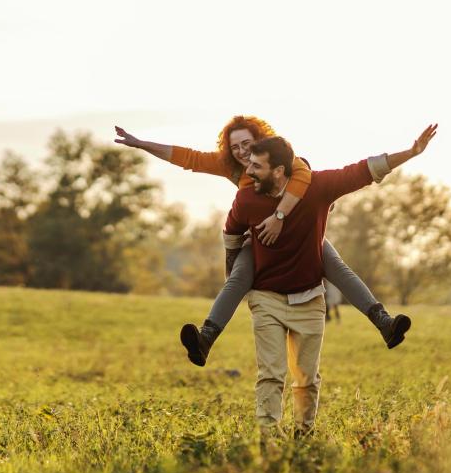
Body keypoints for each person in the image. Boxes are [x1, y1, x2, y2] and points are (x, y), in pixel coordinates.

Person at [114, 117, 414, 365]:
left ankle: (384, 322)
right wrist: (141, 144)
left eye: (247, 144)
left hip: (300, 233)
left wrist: (280, 216)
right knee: (237, 279)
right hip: (257, 238)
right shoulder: (233, 167)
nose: (242, 152)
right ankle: (205, 338)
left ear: (260, 141)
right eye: (235, 147)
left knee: (337, 267)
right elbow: (187, 158)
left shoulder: (286, 161)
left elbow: (309, 178)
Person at [222, 127, 435, 437]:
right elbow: (230, 234)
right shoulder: (246, 198)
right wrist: (235, 276)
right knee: (271, 374)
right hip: (265, 297)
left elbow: (365, 170)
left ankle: (304, 435)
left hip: (308, 298)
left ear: (279, 171)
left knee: (306, 378)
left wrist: (411, 152)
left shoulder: (318, 187)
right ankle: (268, 438)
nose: (248, 170)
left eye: (256, 166)